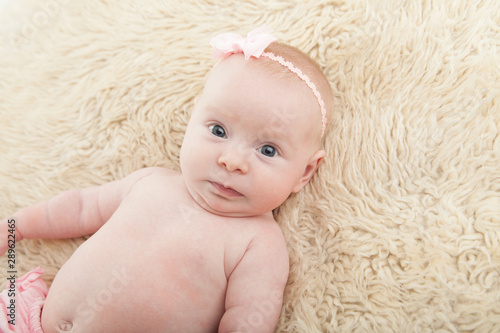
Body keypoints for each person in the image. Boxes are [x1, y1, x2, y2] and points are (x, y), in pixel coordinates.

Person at [0, 26, 333, 332]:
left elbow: (248, 320)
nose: (231, 161)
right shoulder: (150, 182)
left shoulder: (258, 245)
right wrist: (18, 226)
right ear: (193, 118)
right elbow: (80, 207)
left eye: (268, 150)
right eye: (218, 131)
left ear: (304, 172)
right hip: (27, 321)